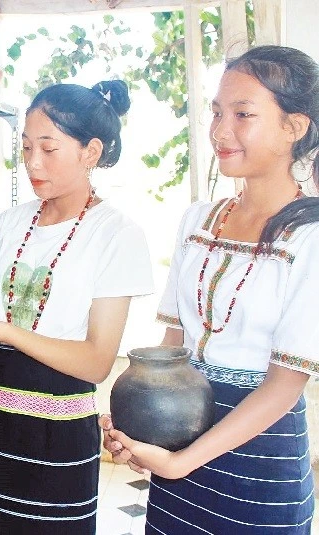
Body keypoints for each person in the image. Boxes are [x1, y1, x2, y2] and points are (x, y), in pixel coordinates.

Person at [0, 79, 155, 534]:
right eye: (26, 147)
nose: (32, 162)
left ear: (90, 152)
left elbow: (96, 362)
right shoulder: (11, 222)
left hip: (57, 432)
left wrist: (4, 332)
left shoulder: (116, 234)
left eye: (49, 148)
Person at [102, 45, 319, 533]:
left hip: (259, 467)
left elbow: (284, 385)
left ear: (294, 127)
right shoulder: (199, 221)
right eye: (217, 113)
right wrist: (139, 430)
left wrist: (182, 461)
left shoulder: (309, 238)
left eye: (243, 114)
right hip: (179, 442)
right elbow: (172, 348)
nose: (220, 131)